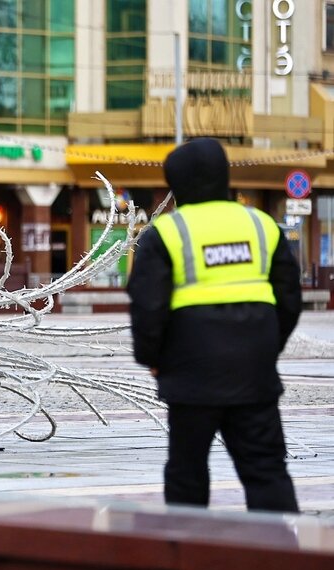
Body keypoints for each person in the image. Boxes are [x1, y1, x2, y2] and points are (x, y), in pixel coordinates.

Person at [127, 137, 302, 512]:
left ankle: (189, 555)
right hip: (254, 374)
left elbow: (147, 307)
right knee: (266, 470)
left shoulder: (166, 233)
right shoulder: (262, 225)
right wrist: (268, 348)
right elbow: (289, 298)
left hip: (190, 376)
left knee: (187, 472)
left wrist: (153, 359)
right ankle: (285, 557)